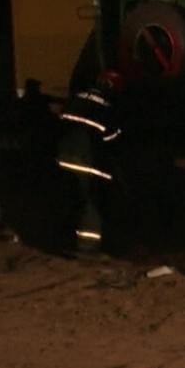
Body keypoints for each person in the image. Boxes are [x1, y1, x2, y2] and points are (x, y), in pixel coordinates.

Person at [56, 70, 125, 257]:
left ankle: (62, 241)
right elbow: (111, 139)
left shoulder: (75, 99)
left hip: (63, 157)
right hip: (87, 161)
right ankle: (87, 248)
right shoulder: (107, 108)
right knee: (92, 203)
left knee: (68, 200)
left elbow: (59, 123)